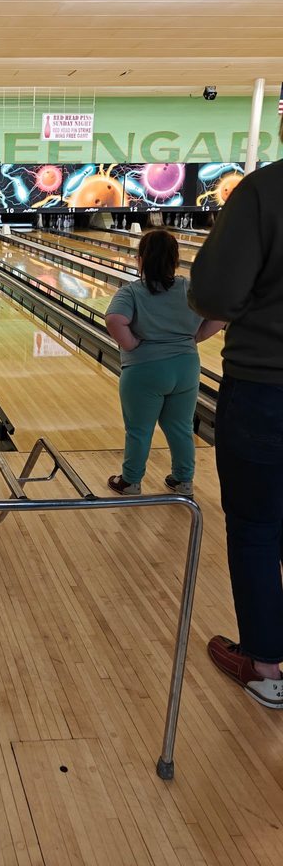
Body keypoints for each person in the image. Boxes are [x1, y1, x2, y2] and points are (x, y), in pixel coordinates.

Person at [190, 159, 283, 709]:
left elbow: (215, 295)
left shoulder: (266, 189)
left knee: (255, 526)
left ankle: (266, 667)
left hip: (267, 391)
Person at [104, 228, 224, 497]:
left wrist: (132, 344)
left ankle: (130, 481)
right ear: (175, 259)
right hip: (185, 367)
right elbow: (220, 314)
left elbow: (114, 320)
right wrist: (197, 336)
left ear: (140, 259)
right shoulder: (190, 288)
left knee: (139, 429)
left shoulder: (132, 292)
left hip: (145, 369)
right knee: (180, 427)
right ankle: (183, 481)